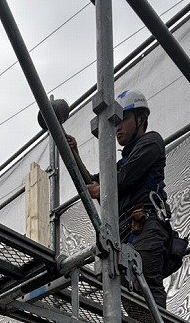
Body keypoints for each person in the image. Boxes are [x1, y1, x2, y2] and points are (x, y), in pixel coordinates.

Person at [67, 89, 169, 310]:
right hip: (126, 233)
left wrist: (101, 189)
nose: (117, 127)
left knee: (147, 287)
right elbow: (95, 182)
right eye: (115, 123)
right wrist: (74, 153)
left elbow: (121, 180)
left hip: (147, 226)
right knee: (129, 295)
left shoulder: (152, 142)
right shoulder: (122, 162)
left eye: (123, 120)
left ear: (141, 119)